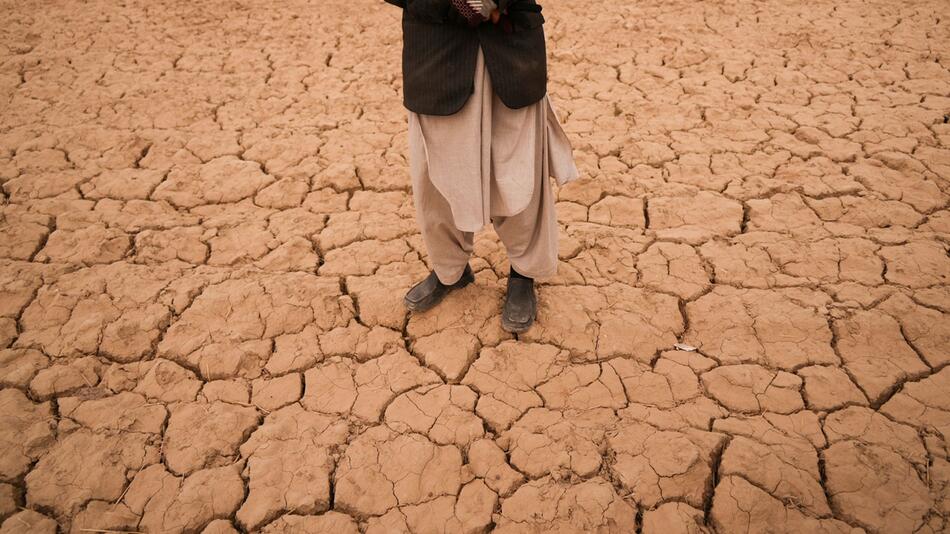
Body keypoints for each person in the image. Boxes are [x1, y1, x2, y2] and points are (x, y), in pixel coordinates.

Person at [383, 0, 579, 333]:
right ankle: (450, 271)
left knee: (519, 171)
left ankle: (523, 274)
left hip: (512, 46)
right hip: (435, 52)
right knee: (439, 178)